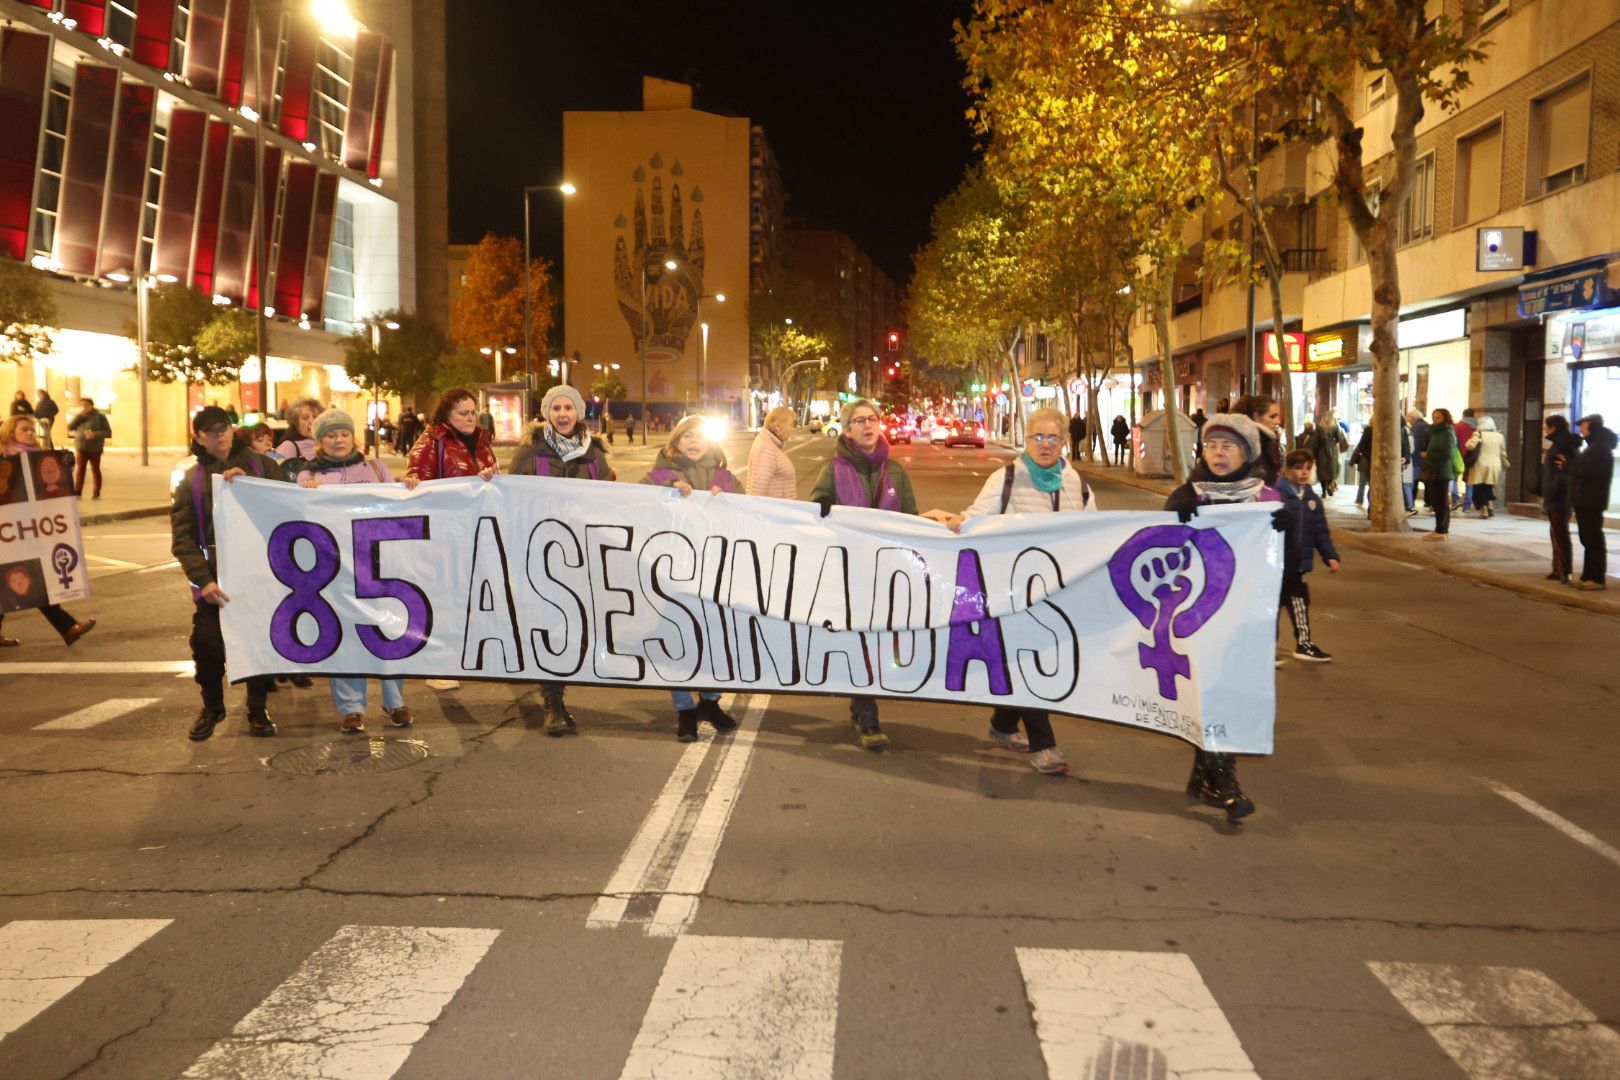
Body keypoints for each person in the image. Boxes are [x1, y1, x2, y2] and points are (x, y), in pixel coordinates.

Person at [936, 407, 1096, 776]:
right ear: (1027, 440)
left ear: (1063, 442)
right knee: (1027, 658)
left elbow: (1093, 529)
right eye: (1037, 437)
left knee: (1024, 656)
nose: (1044, 444)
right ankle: (1044, 744)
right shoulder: (1006, 478)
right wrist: (961, 522)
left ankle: (1004, 724)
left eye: (1052, 438)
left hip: (1056, 589)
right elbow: (979, 514)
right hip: (1010, 588)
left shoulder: (1077, 484)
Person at [1162, 412, 1280, 821]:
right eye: (1212, 445)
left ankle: (1203, 772)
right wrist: (1177, 524)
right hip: (1200, 616)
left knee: (1227, 693)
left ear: (1247, 452)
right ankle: (1222, 783)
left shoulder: (1267, 500)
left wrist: (1285, 528)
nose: (1219, 453)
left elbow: (1286, 562)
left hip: (1248, 620)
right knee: (1214, 693)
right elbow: (1161, 551)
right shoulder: (1188, 495)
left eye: (1229, 446)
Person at [295, 408, 420, 733]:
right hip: (335, 571)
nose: (338, 440)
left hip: (378, 567)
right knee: (346, 635)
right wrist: (303, 497)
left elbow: (400, 508)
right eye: (331, 435)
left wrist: (408, 487)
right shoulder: (308, 478)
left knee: (389, 632)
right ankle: (351, 708)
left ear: (353, 436)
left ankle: (395, 702)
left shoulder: (378, 469)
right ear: (320, 441)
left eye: (343, 434)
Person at [808, 397, 919, 751]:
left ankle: (860, 704)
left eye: (872, 419)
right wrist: (822, 504)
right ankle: (868, 716)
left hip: (888, 573)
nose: (868, 425)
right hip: (849, 572)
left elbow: (913, 517)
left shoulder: (897, 471)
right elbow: (816, 505)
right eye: (859, 420)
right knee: (860, 641)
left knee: (881, 641)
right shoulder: (834, 468)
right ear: (847, 429)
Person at [171, 406, 286, 738]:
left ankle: (257, 707)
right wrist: (203, 581)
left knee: (259, 644)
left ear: (233, 430)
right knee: (206, 646)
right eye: (210, 431)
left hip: (260, 576)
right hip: (215, 582)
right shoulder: (191, 480)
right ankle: (212, 707)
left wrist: (252, 488)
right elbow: (183, 538)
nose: (219, 434)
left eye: (223, 428)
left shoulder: (263, 467)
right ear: (198, 437)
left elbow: (286, 510)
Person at [509, 384, 615, 732]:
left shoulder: (595, 455)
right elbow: (513, 497)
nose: (563, 414)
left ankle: (558, 686)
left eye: (569, 407)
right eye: (556, 408)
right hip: (540, 549)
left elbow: (611, 502)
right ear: (546, 413)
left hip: (582, 552)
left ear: (579, 413)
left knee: (577, 624)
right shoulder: (530, 451)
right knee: (549, 621)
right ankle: (554, 702)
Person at [639, 415, 741, 742]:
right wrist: (666, 494)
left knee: (715, 638)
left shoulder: (726, 478)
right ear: (676, 442)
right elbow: (634, 507)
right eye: (687, 436)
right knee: (678, 639)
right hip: (675, 574)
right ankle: (684, 708)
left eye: (700, 436)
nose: (694, 441)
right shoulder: (658, 477)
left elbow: (749, 516)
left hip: (715, 571)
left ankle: (710, 702)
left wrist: (728, 501)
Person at [406, 387, 500, 691]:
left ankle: (463, 655)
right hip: (444, 530)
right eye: (463, 412)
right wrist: (413, 482)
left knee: (467, 595)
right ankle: (437, 664)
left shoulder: (483, 440)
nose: (471, 417)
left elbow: (492, 478)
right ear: (447, 416)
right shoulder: (432, 441)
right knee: (442, 597)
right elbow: (416, 478)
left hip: (475, 528)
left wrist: (490, 477)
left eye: (473, 411)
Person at [0, 415, 95, 648]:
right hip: (9, 530)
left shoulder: (40, 458)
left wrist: (65, 463)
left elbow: (55, 489)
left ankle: (67, 627)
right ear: (11, 433)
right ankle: (66, 627)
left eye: (32, 430)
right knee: (18, 580)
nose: (31, 433)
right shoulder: (4, 458)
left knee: (29, 579)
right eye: (24, 429)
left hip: (31, 530)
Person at [1276, 449, 1341, 663]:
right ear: (1286, 471)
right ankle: (1266, 648)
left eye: (1307, 468)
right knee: (1271, 607)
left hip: (1298, 564)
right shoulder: (1276, 496)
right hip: (1276, 564)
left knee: (1300, 603)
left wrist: (1330, 555)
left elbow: (1320, 532)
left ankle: (1304, 643)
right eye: (1298, 468)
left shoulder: (1312, 500)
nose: (1304, 473)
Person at [1568, 414, 1615, 591]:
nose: (1580, 429)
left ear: (1593, 426)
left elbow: (1589, 471)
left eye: (1583, 425)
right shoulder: (1594, 446)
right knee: (1587, 539)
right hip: (1584, 499)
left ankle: (1597, 578)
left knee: (1593, 538)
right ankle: (1587, 575)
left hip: (1591, 499)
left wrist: (1569, 466)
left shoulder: (1601, 448)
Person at [1537, 415, 1581, 584]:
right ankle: (1557, 569)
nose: (1544, 429)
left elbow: (1562, 473)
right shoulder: (1561, 443)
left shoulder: (1563, 445)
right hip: (1556, 495)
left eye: (1546, 426)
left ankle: (1565, 570)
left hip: (1559, 496)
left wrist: (1551, 491)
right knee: (1556, 532)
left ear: (1553, 427)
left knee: (1561, 533)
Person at [1421, 408, 1458, 540]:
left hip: (1442, 471)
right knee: (1436, 501)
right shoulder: (1436, 432)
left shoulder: (1447, 432)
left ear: (1446, 418)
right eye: (1434, 417)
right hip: (1434, 470)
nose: (1435, 419)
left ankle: (1442, 530)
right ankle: (1439, 528)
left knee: (1441, 502)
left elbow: (1447, 453)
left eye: (1438, 417)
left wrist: (1428, 455)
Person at [747, 406, 798, 498]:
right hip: (773, 511)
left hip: (778, 510)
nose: (792, 429)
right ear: (777, 427)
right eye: (790, 425)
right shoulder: (765, 448)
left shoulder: (771, 445)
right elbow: (757, 491)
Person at [66, 397, 111, 499]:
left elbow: (108, 432)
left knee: (95, 469)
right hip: (81, 447)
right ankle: (77, 492)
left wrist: (94, 434)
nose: (84, 407)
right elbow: (70, 426)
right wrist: (79, 416)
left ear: (91, 405)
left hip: (95, 448)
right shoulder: (80, 416)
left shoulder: (100, 417)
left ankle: (96, 492)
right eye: (82, 405)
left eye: (86, 405)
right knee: (80, 470)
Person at [1234, 394, 1284, 485]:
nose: (1278, 421)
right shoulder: (1250, 443)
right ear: (1256, 416)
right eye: (1272, 416)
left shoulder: (1264, 441)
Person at [1466, 416, 1508, 517]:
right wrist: (1505, 463)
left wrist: (1474, 437)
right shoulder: (1499, 436)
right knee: (1488, 486)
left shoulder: (1479, 434)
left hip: (1480, 464)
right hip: (1494, 465)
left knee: (1479, 487)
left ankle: (1484, 509)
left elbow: (1470, 446)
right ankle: (1490, 505)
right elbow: (1503, 452)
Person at [272, 396, 322, 465]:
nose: (312, 422)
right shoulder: (288, 446)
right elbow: (273, 472)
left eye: (315, 417)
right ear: (295, 422)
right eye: (305, 418)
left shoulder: (325, 443)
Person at [1309, 409, 1348, 495]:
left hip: (1321, 451)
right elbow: (1339, 438)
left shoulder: (1319, 428)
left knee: (1322, 471)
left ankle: (1323, 491)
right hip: (1332, 451)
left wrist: (1313, 454)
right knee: (1331, 470)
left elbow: (1315, 441)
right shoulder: (1335, 427)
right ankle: (1330, 485)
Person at [1453, 408, 1477, 511]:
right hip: (1472, 457)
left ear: (1463, 415)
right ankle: (1467, 504)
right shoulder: (1478, 427)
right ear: (1473, 415)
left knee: (1453, 478)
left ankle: (1456, 499)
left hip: (1459, 456)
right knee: (1469, 480)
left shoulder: (1457, 426)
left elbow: (1453, 441)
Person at [1407, 409, 1430, 513]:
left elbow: (1414, 445)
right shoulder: (1426, 425)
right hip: (1425, 459)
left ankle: (1410, 503)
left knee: (1412, 482)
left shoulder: (1417, 428)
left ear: (1413, 418)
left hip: (1417, 459)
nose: (1408, 420)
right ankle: (1428, 502)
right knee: (1426, 482)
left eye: (1409, 418)